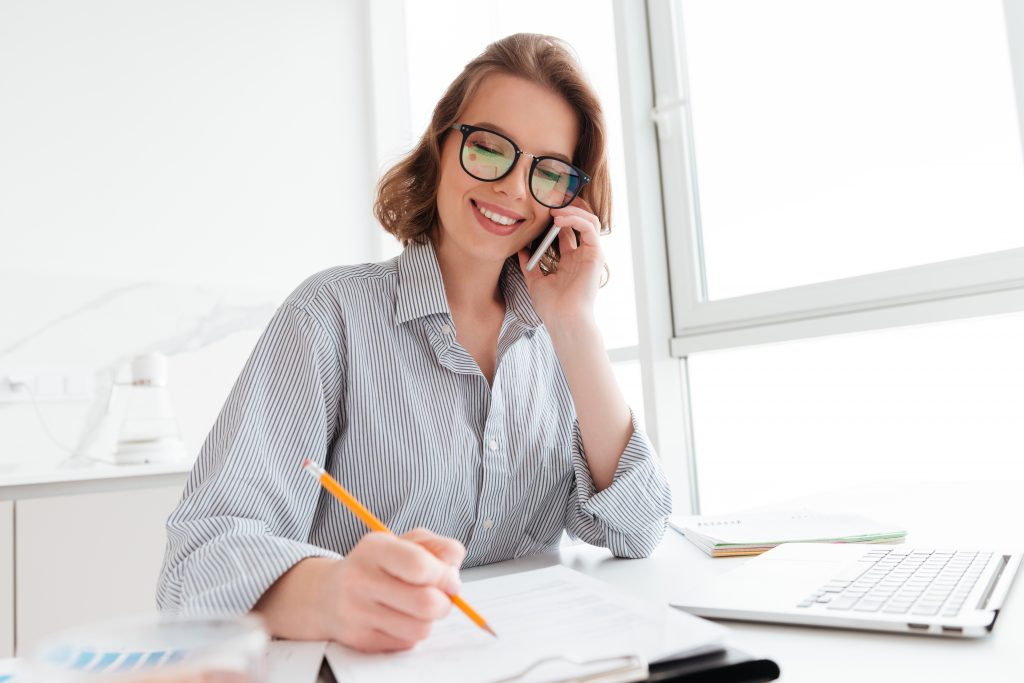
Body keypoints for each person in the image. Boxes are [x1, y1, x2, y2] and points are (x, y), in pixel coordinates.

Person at [157, 33, 672, 653]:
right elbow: (195, 565)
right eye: (489, 148)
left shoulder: (558, 337)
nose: (514, 188)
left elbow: (639, 527)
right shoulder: (331, 314)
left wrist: (576, 327)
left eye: (548, 172)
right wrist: (331, 593)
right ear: (441, 145)